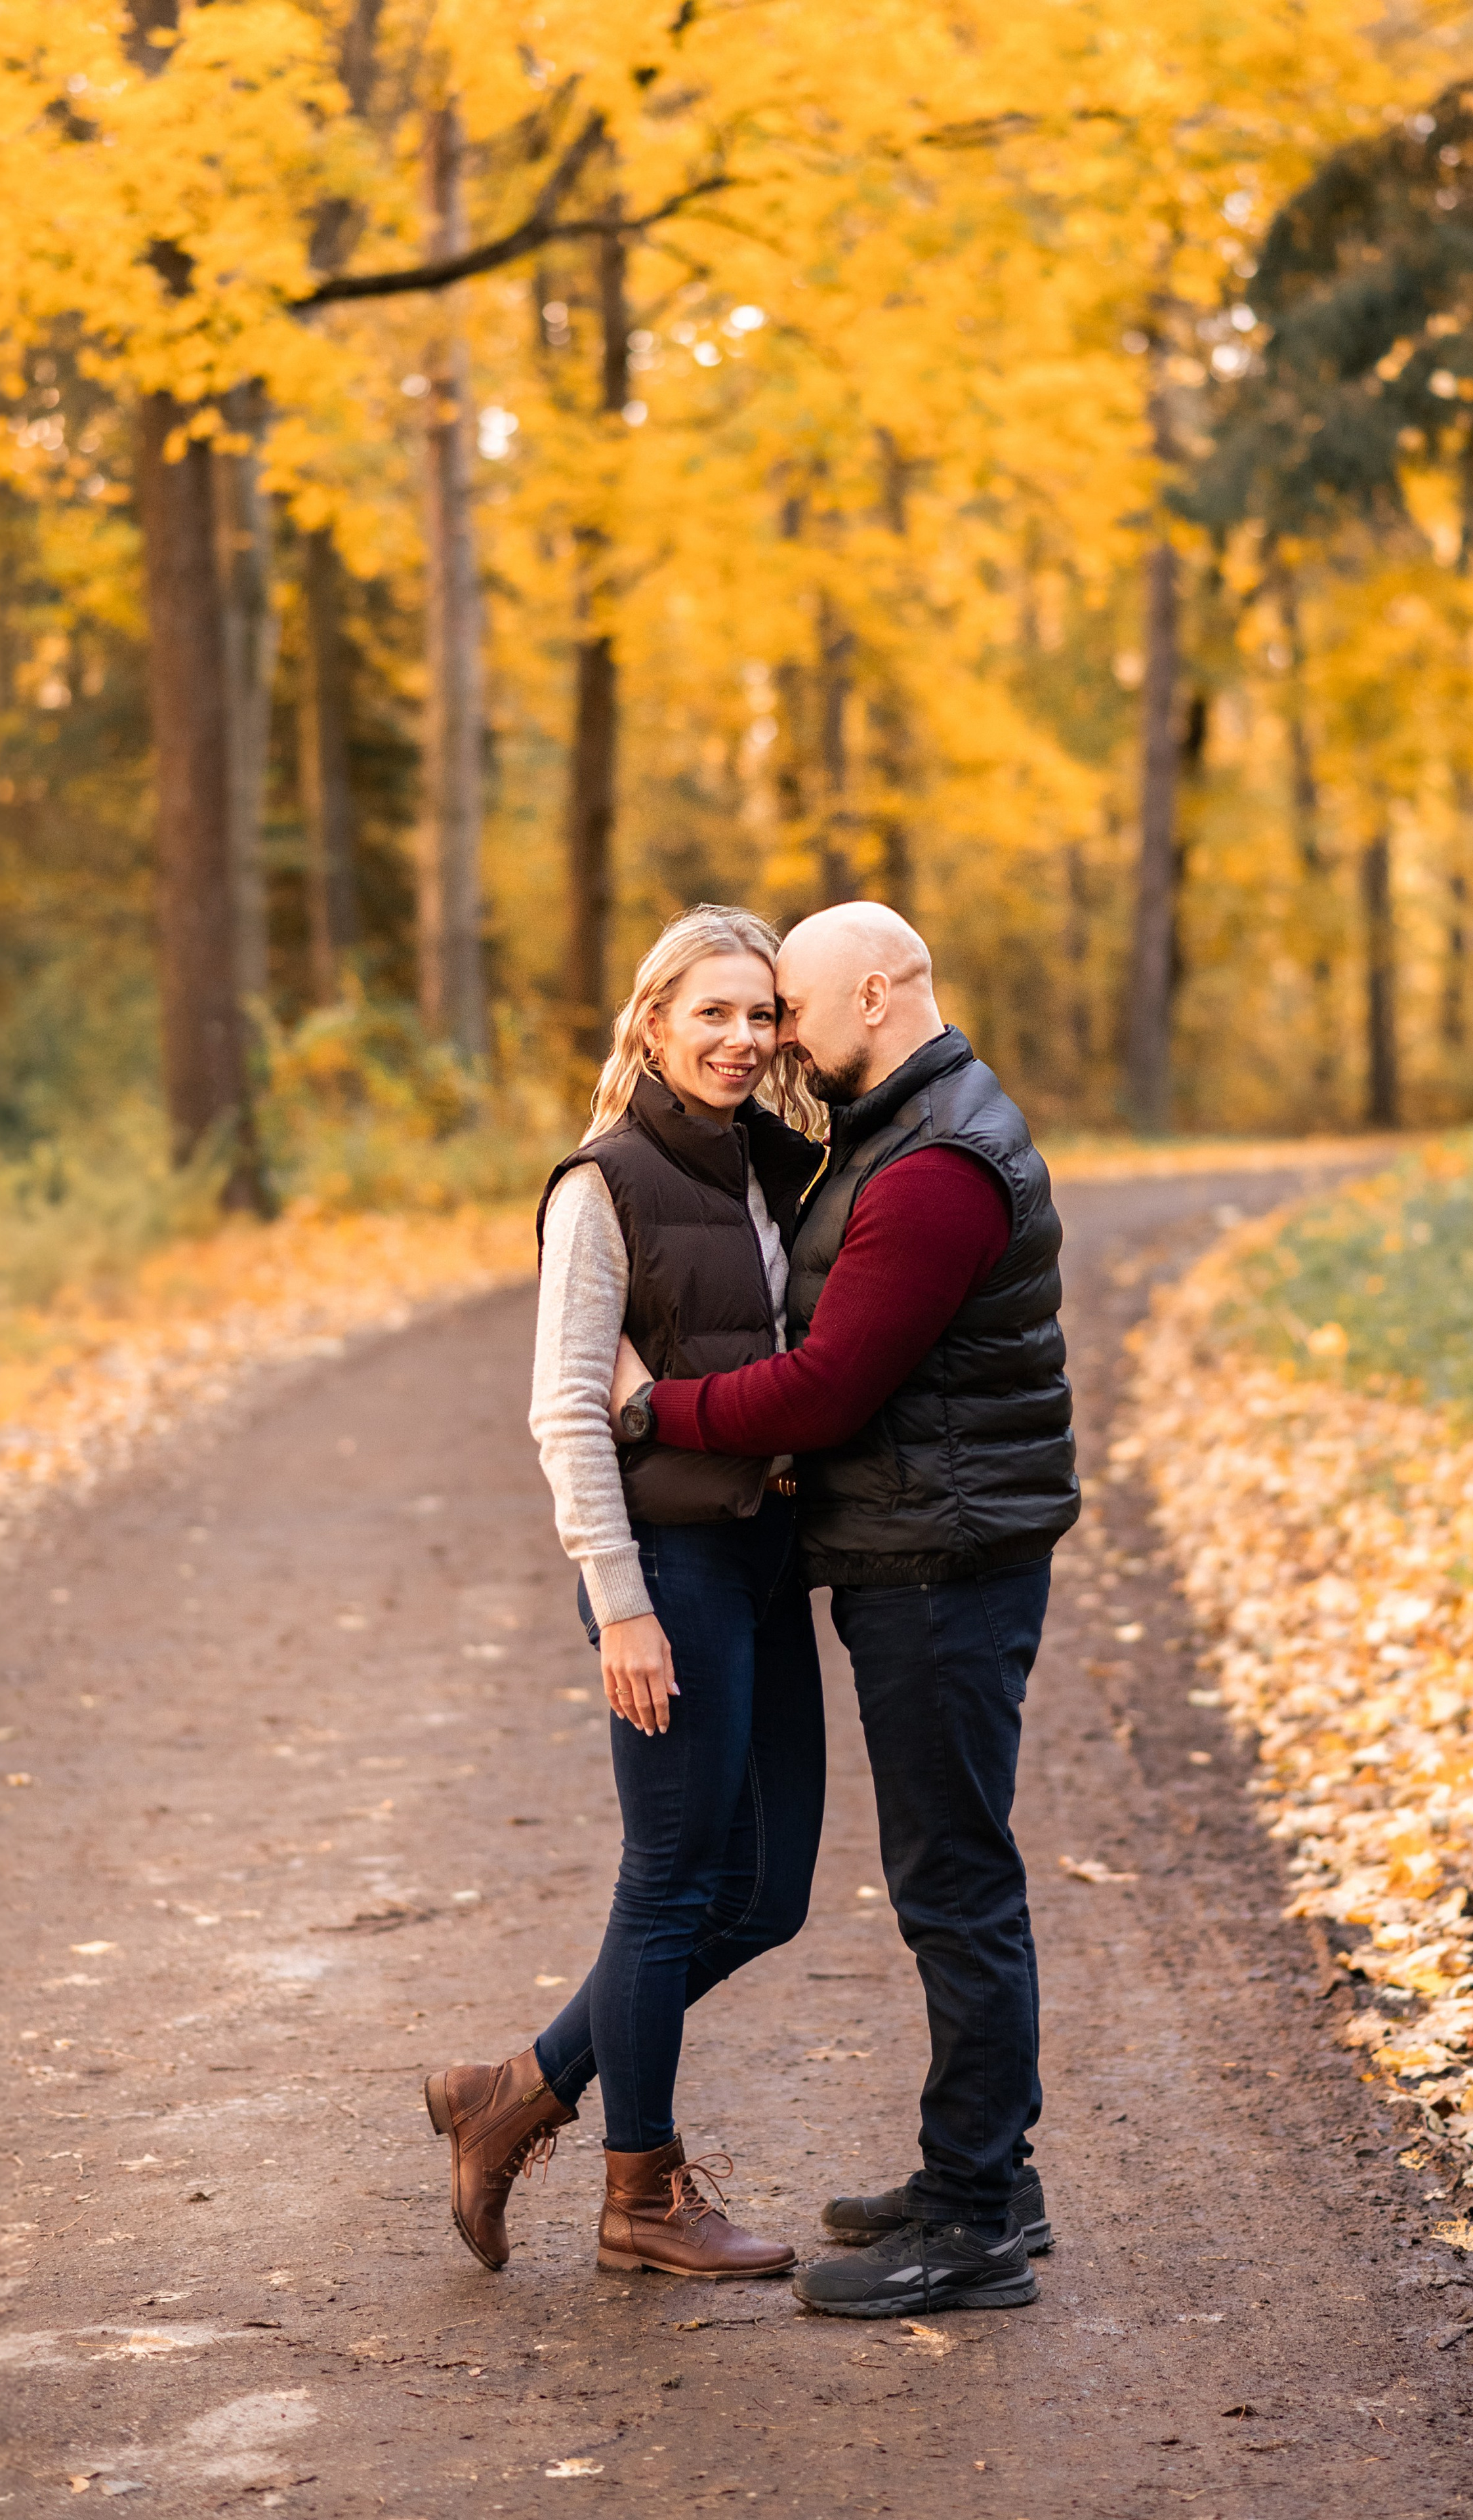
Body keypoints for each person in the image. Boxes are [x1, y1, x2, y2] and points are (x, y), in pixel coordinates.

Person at [610, 901, 1079, 2318]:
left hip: (941, 1567)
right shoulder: (901, 1124)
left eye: (794, 1011)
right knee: (953, 1874)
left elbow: (823, 1387)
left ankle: (975, 2219)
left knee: (953, 1884)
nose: (780, 1041)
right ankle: (983, 2173)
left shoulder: (935, 1163)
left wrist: (653, 1406)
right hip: (922, 1549)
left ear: (875, 993)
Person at [425, 905, 827, 2282]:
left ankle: (517, 2092)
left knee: (767, 1891)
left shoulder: (766, 1167)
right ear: (651, 1022)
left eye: (760, 1013)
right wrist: (622, 1604)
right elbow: (563, 1413)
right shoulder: (602, 1184)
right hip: (667, 1569)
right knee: (670, 1882)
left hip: (763, 1555)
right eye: (710, 1011)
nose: (740, 1036)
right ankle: (638, 2196)